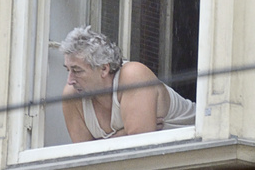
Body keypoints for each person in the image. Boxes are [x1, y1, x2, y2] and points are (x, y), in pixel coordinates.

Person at [60, 25, 196, 141]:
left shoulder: (133, 75)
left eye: (77, 71)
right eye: (68, 70)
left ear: (104, 69)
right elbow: (85, 159)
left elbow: (137, 148)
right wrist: (123, 133)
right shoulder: (71, 95)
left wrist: (100, 142)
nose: (70, 80)